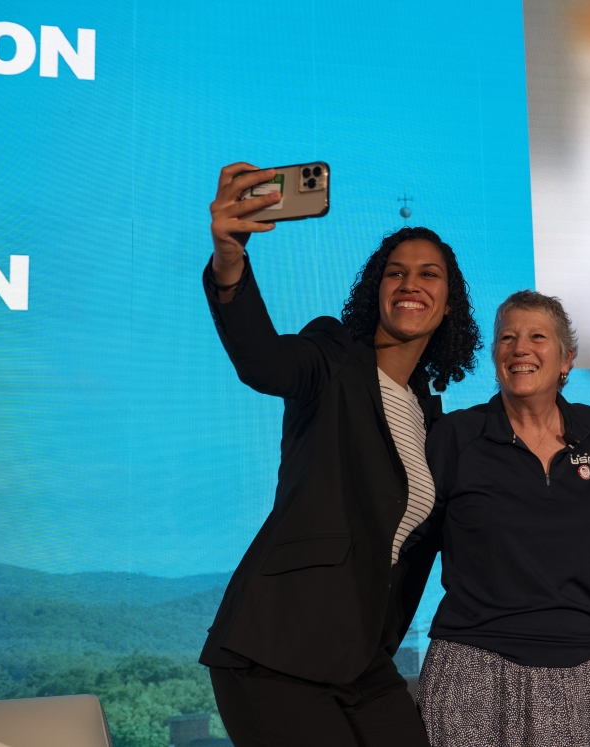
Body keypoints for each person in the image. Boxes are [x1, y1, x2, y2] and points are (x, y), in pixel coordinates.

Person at [200, 163, 481, 747]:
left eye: (429, 275)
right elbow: (262, 360)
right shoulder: (333, 357)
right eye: (395, 272)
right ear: (375, 289)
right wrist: (230, 261)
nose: (411, 283)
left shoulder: (433, 419)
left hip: (360, 658)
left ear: (449, 304)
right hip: (275, 649)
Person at [409, 291, 590, 747]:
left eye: (537, 337)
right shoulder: (456, 435)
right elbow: (411, 547)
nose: (520, 348)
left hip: (584, 668)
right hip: (473, 666)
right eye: (507, 338)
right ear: (494, 355)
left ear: (567, 358)